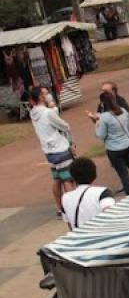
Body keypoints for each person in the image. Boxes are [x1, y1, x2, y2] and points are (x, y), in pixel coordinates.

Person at [92, 90, 129, 195]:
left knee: (124, 175)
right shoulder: (123, 111)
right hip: (127, 145)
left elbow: (101, 135)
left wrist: (96, 124)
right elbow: (128, 127)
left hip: (114, 149)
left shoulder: (104, 118)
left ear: (103, 104)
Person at [29, 86, 75, 214]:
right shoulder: (48, 113)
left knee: (57, 178)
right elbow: (64, 125)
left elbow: (49, 117)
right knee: (67, 179)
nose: (47, 95)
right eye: (44, 94)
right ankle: (72, 207)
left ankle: (59, 207)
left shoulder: (33, 113)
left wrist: (53, 108)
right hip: (60, 148)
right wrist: (53, 108)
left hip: (48, 151)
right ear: (40, 97)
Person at [61, 157, 116, 229]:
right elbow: (112, 216)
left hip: (80, 238)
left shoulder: (65, 198)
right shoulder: (103, 193)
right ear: (94, 174)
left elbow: (70, 226)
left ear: (73, 177)